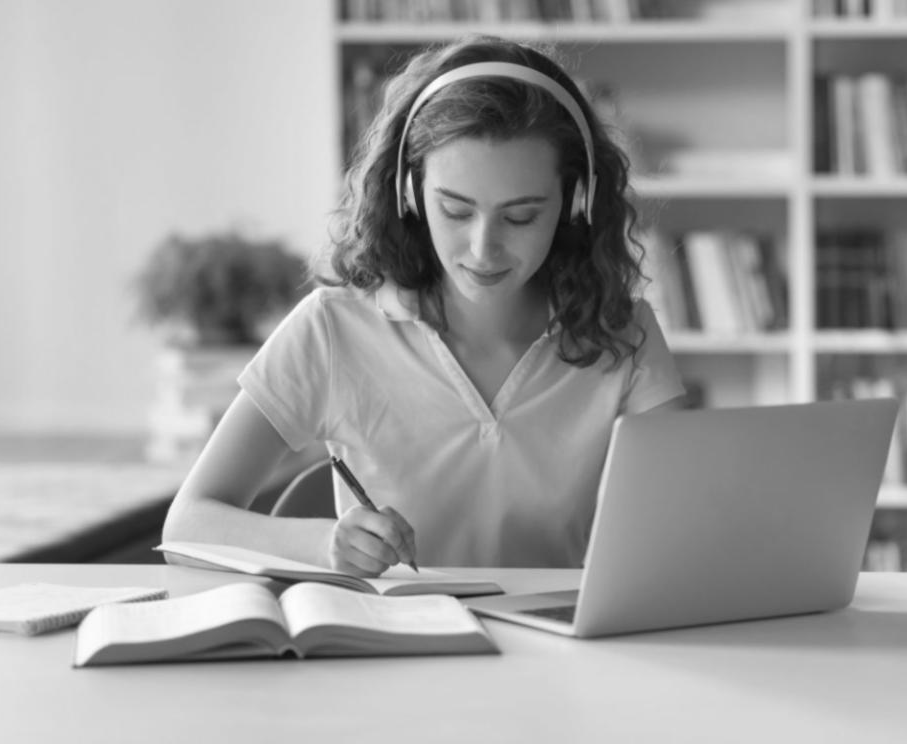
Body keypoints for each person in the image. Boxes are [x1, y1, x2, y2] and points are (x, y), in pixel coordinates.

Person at [161, 34, 686, 577]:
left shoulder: (625, 333)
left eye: (521, 216)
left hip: (566, 650)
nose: (484, 249)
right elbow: (186, 527)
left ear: (575, 203)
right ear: (410, 193)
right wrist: (323, 546)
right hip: (396, 648)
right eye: (456, 211)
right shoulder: (333, 329)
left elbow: (683, 530)